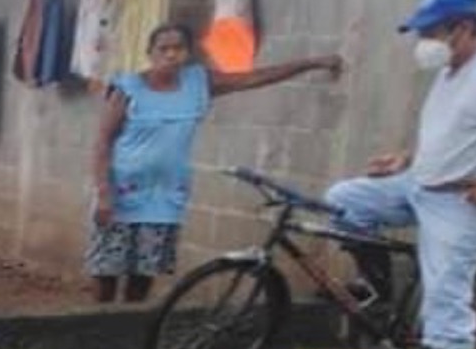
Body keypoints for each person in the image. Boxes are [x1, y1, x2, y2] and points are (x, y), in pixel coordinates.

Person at [325, 0, 476, 349]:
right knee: (342, 201)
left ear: (462, 27)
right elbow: (457, 133)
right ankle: (382, 294)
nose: (424, 43)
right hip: (418, 185)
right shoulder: (450, 73)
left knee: (444, 296)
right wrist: (405, 158)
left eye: (431, 33)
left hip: (462, 203)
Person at [90, 24, 342, 304]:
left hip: (165, 195)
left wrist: (310, 63)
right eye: (164, 49)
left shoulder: (199, 83)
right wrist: (103, 193)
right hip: (121, 192)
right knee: (107, 270)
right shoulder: (128, 88)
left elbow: (254, 78)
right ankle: (96, 329)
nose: (171, 55)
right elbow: (102, 142)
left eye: (178, 48)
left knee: (145, 271)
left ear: (188, 53)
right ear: (150, 53)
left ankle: (127, 332)